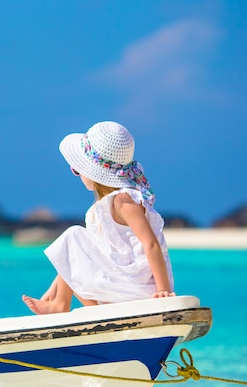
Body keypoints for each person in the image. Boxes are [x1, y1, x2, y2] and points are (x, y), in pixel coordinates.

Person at [22, 121, 175, 315]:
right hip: (125, 283)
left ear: (94, 172)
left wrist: (163, 291)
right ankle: (91, 313)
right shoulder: (102, 209)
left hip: (139, 287)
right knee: (76, 241)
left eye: (77, 170)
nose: (77, 175)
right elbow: (81, 255)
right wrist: (52, 290)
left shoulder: (124, 201)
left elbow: (151, 243)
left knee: (73, 235)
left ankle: (61, 305)